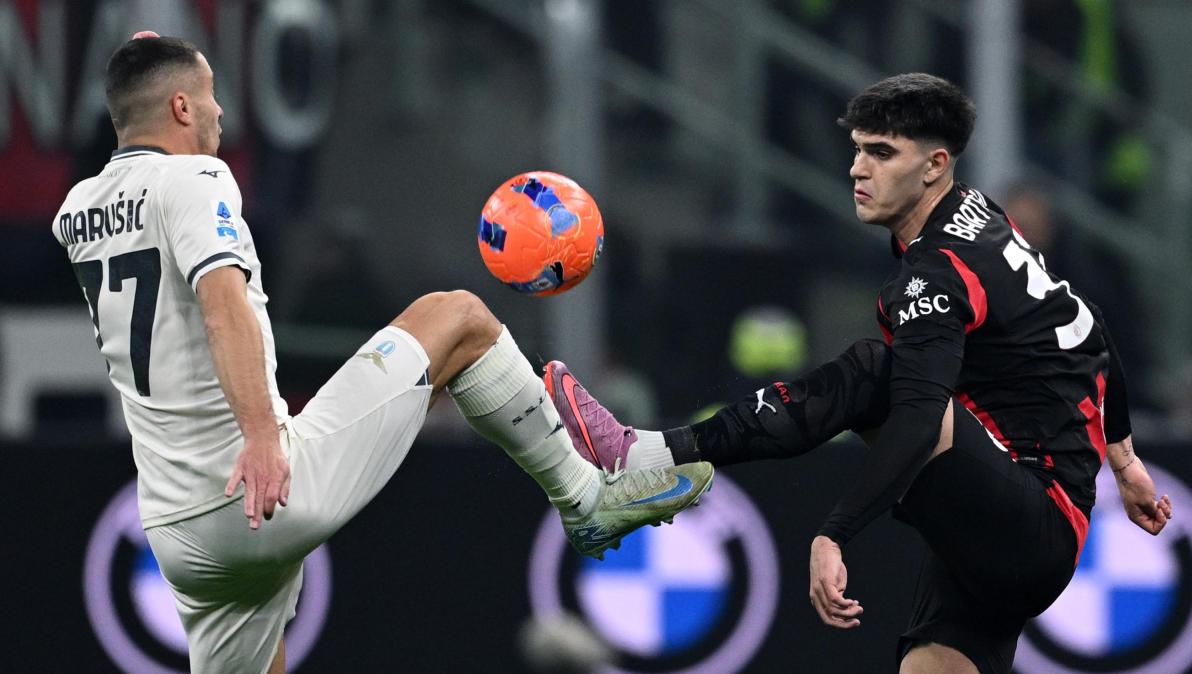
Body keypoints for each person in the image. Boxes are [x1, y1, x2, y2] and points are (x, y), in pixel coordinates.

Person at [52, 33, 713, 673]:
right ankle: (586, 499)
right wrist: (258, 436)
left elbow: (141, 156)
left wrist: (144, 65)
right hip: (258, 486)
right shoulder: (195, 178)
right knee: (459, 318)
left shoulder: (80, 209)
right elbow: (222, 307)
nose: (220, 111)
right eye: (209, 94)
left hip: (174, 527)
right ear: (180, 108)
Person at [543, 73, 1171, 674]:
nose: (857, 169)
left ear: (935, 165)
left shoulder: (937, 274)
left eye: (881, 152)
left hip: (1028, 521)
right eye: (858, 149)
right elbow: (1088, 325)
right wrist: (1124, 461)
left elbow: (918, 419)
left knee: (874, 372)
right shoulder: (978, 213)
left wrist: (835, 533)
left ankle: (641, 455)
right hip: (1016, 508)